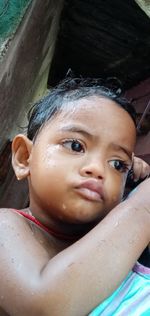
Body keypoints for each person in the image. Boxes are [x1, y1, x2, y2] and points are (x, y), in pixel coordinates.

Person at [0, 77, 149, 316]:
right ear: (24, 157)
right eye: (76, 146)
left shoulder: (112, 239)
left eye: (117, 164)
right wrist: (142, 208)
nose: (98, 169)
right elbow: (42, 307)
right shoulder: (6, 226)